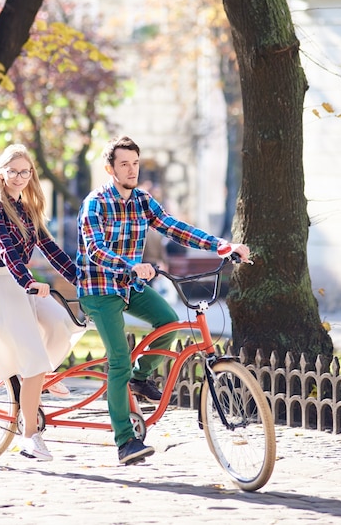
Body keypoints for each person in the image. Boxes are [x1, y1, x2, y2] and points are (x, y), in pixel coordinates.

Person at [76, 135, 251, 466]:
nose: (131, 170)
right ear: (109, 168)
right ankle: (126, 441)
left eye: (135, 163)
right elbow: (96, 249)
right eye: (124, 164)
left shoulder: (142, 200)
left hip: (130, 284)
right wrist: (131, 265)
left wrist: (221, 246)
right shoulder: (95, 204)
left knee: (169, 323)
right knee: (117, 362)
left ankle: (140, 378)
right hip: (99, 288)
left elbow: (174, 227)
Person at [0, 144, 82, 462]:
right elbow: (7, 251)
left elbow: (52, 249)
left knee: (62, 324)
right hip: (0, 286)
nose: (19, 177)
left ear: (32, 174)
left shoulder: (28, 207)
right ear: (1, 173)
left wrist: (83, 281)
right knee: (33, 360)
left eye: (25, 171)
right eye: (13, 171)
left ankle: (40, 381)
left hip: (23, 286)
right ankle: (30, 437)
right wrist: (28, 282)